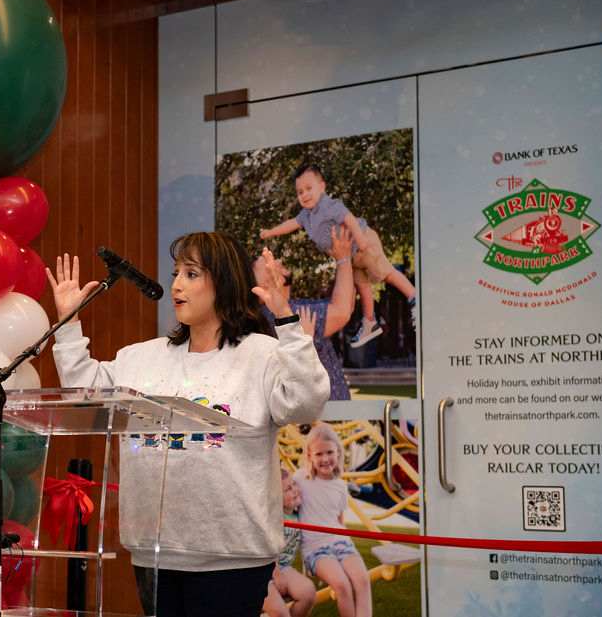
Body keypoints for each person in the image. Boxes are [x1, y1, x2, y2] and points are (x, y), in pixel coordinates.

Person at [46, 232, 331, 617]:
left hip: (231, 557)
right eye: (176, 272)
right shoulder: (141, 357)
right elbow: (88, 397)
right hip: (154, 552)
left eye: (192, 274)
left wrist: (287, 322)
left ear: (224, 282)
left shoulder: (260, 354)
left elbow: (307, 403)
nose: (177, 284)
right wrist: (67, 322)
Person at [259, 164, 416, 348]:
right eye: (300, 192)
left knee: (387, 273)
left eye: (309, 189)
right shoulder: (306, 215)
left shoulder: (329, 205)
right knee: (362, 285)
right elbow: (290, 224)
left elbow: (348, 217)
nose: (305, 195)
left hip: (363, 244)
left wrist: (361, 239)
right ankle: (370, 322)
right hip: (351, 255)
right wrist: (271, 232)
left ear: (322, 187)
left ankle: (413, 297)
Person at [253, 225, 355, 400]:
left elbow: (348, 305)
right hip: (323, 421)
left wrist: (350, 262)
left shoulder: (293, 307)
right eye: (269, 265)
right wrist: (344, 258)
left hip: (334, 418)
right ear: (262, 285)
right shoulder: (283, 315)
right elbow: (342, 311)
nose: (279, 262)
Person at [293, 423, 371, 617]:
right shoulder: (301, 479)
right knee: (342, 585)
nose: (325, 459)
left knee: (362, 580)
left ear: (338, 452)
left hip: (340, 541)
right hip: (315, 548)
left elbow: (339, 520)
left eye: (330, 452)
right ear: (309, 456)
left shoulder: (340, 486)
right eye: (319, 454)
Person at [263, 468, 317, 617]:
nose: (295, 490)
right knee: (281, 613)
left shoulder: (296, 514)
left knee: (308, 592)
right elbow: (268, 549)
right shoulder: (275, 518)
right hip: (262, 571)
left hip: (283, 566)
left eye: (294, 484)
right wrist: (277, 575)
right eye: (288, 488)